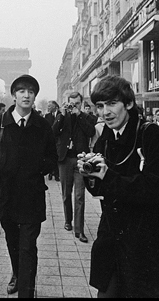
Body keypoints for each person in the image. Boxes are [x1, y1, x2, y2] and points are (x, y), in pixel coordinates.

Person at [76, 75, 159, 298]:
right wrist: (89, 174)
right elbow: (99, 189)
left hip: (144, 240)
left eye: (112, 104)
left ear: (128, 104)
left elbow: (157, 188)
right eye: (100, 106)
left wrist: (107, 176)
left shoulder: (152, 135)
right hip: (112, 236)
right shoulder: (108, 136)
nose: (104, 112)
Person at [0, 74, 57, 297]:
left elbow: (52, 157)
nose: (26, 95)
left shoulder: (42, 125)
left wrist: (36, 169)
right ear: (13, 95)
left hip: (32, 194)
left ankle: (27, 289)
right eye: (22, 91)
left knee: (27, 246)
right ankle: (17, 274)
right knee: (13, 242)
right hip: (6, 194)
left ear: (35, 96)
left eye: (31, 91)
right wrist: (3, 165)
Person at [52, 92, 95, 243]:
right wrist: (62, 115)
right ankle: (68, 220)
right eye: (71, 104)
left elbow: (91, 132)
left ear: (81, 103)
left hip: (80, 159)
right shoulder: (63, 116)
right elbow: (53, 132)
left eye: (77, 104)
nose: (74, 106)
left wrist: (80, 115)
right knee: (66, 193)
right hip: (64, 159)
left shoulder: (87, 117)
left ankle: (79, 230)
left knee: (79, 196)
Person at [44, 100, 60, 181]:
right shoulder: (47, 116)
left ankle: (57, 175)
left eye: (50, 106)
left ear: (54, 106)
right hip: (50, 139)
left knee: (57, 156)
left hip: (59, 139)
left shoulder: (61, 114)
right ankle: (50, 173)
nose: (48, 107)